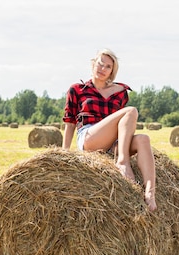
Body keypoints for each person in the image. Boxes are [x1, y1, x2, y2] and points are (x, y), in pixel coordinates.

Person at [62, 48, 157, 212]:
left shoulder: (120, 92)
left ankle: (150, 193)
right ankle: (123, 162)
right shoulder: (77, 89)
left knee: (143, 139)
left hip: (113, 141)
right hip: (89, 137)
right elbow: (70, 123)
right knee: (131, 111)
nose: (102, 69)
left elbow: (123, 124)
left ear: (112, 71)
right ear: (93, 64)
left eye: (108, 67)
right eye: (100, 64)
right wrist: (63, 154)